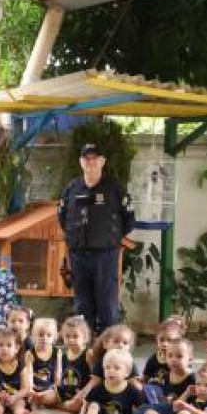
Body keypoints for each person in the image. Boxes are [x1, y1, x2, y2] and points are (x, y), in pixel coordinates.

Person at [57, 143, 135, 334]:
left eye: (94, 158)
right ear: (80, 162)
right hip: (79, 255)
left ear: (102, 161)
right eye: (86, 158)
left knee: (107, 302)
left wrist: (111, 238)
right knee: (82, 303)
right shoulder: (72, 188)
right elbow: (63, 216)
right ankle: (84, 343)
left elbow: (128, 219)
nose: (90, 162)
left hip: (105, 254)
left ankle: (109, 343)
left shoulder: (114, 188)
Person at [56, 315, 92, 414]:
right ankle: (63, 404)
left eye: (75, 336)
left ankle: (61, 405)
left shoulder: (88, 354)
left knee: (75, 405)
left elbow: (95, 379)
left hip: (82, 392)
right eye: (67, 336)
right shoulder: (64, 354)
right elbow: (60, 378)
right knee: (46, 396)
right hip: (66, 391)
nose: (71, 339)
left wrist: (83, 393)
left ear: (84, 337)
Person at [25, 317, 61, 409]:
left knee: (55, 395)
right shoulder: (30, 353)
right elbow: (28, 374)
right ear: (33, 336)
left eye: (49, 335)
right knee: (26, 394)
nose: (45, 338)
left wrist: (56, 387)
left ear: (54, 337)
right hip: (34, 387)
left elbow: (58, 373)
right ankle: (36, 400)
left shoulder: (57, 352)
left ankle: (41, 400)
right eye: (41, 335)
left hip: (49, 388)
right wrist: (30, 389)